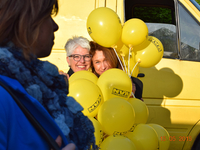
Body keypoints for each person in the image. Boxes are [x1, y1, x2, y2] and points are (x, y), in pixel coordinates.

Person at [0, 0, 96, 150]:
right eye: (47, 16)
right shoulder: (4, 93)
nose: (55, 26)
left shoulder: (36, 85)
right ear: (25, 22)